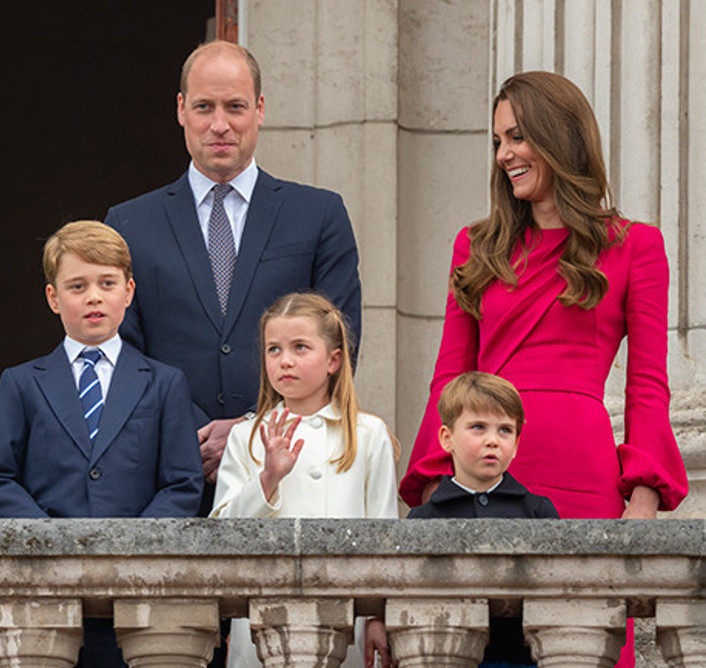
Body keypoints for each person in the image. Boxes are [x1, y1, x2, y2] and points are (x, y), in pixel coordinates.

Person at [399, 71, 689, 667]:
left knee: (580, 647)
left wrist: (643, 494)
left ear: (560, 138)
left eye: (517, 138)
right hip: (486, 467)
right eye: (498, 142)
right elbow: (449, 376)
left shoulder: (636, 246)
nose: (504, 155)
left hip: (582, 472)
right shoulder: (476, 246)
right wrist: (435, 477)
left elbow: (648, 383)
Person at [104, 40, 362, 516]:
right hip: (166, 481)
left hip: (289, 477)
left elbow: (339, 344)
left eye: (235, 107)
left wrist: (247, 431)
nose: (219, 124)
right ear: (181, 110)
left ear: (260, 109)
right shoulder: (128, 225)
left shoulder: (319, 215)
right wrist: (189, 433)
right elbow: (122, 351)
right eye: (204, 107)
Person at [0, 220, 204, 667]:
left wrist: (131, 544)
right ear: (53, 298)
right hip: (45, 594)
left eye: (107, 283)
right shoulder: (21, 383)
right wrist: (47, 539)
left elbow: (182, 484)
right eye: (77, 286)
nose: (94, 296)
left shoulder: (164, 383)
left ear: (129, 292)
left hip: (137, 596)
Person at [210, 292, 399, 668]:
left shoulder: (368, 434)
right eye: (274, 350)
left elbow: (385, 535)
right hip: (261, 624)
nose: (285, 361)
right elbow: (223, 536)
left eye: (300, 347)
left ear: (333, 360)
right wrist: (268, 479)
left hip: (347, 621)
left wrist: (379, 615)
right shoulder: (246, 435)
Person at [407, 371, 558, 667]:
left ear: (516, 444)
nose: (493, 440)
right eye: (478, 427)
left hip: (523, 658)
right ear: (446, 438)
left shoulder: (538, 511)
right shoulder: (423, 518)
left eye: (505, 430)